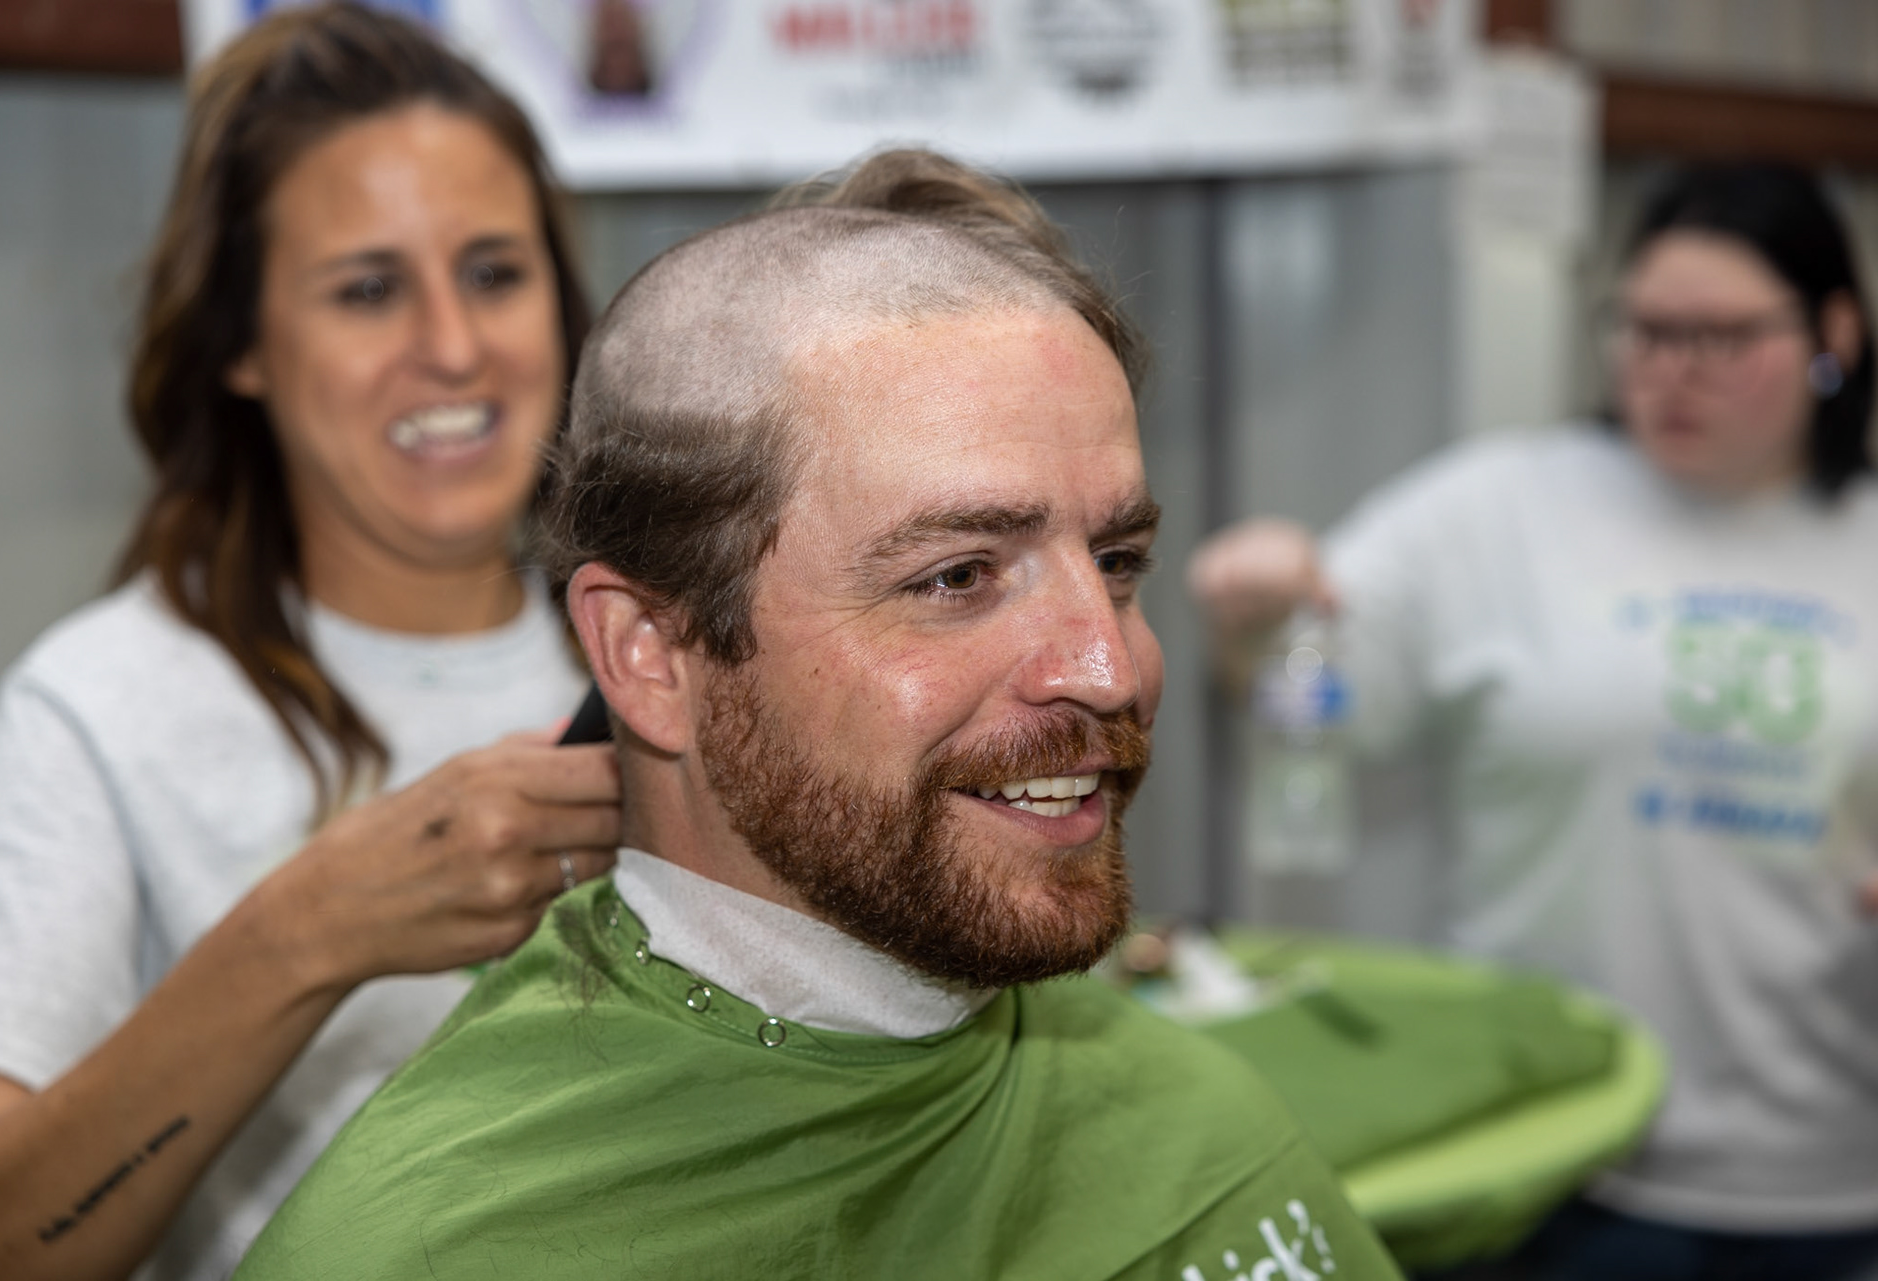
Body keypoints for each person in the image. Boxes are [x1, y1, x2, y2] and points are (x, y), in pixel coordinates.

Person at [233, 149, 1404, 1281]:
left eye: (1117, 560)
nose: (1110, 668)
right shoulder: (422, 1255)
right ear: (648, 654)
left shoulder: (1192, 1115)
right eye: (957, 577)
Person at [0, 7, 620, 1280]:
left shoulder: (673, 654)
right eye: (368, 289)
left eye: (495, 272)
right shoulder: (100, 706)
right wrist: (306, 934)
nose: (453, 347)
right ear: (243, 345)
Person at [1189, 162, 1878, 1280]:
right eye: (1645, 329)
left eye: (1719, 336)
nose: (1671, 369)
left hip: (1827, 1163)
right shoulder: (1500, 508)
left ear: (1832, 332)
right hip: (1556, 1143)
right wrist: (1254, 624)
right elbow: (1306, 705)